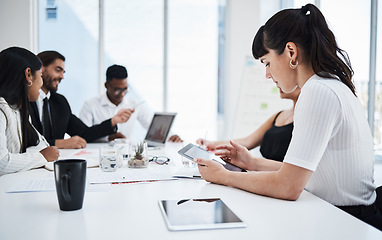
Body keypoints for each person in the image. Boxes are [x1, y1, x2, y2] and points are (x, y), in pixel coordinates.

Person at [194, 4, 382, 230]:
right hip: (344, 215)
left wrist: (224, 177)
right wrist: (251, 162)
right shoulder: (330, 85)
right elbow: (297, 174)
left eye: (267, 63)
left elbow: (288, 186)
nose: (267, 74)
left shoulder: (317, 91)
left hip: (346, 222)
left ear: (291, 52)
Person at [29, 51, 131, 149]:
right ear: (41, 69)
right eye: (58, 70)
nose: (62, 76)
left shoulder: (59, 102)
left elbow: (84, 133)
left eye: (63, 72)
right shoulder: (25, 100)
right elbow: (27, 141)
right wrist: (60, 143)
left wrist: (113, 121)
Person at [79, 64, 182, 142]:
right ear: (106, 85)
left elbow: (152, 126)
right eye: (117, 90)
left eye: (125, 89)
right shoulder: (90, 105)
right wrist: (107, 137)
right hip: (97, 154)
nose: (122, 94)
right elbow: (83, 135)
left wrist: (170, 136)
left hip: (125, 155)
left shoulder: (134, 104)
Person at [197, 87, 300, 162]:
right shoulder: (279, 115)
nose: (278, 84)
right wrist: (212, 144)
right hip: (261, 175)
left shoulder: (304, 120)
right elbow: (248, 141)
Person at [0, 47, 59, 176]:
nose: (41, 82)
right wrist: (40, 157)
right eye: (41, 75)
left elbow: (42, 144)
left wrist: (38, 154)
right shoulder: (1, 110)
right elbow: (2, 163)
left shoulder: (18, 109)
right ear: (28, 75)